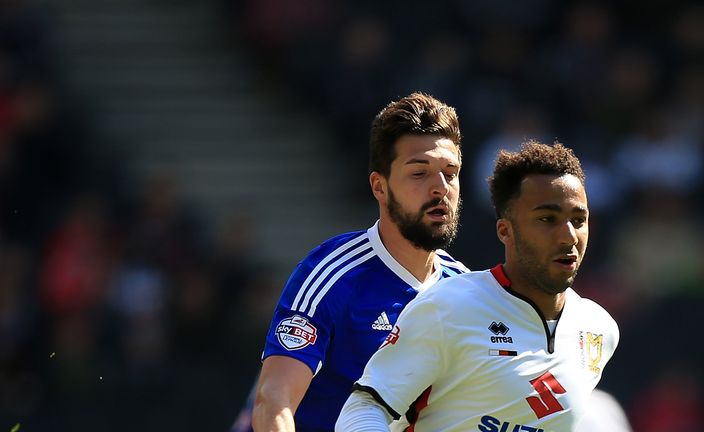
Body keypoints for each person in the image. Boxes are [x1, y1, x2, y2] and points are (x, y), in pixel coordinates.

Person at [335, 141, 620, 431]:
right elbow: (363, 409)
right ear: (505, 231)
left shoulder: (598, 329)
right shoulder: (448, 308)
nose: (568, 236)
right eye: (547, 219)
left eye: (578, 219)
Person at [232, 92, 469, 432]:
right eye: (420, 173)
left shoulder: (465, 291)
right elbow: (274, 401)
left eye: (451, 172)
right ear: (380, 186)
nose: (440, 188)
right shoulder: (331, 275)